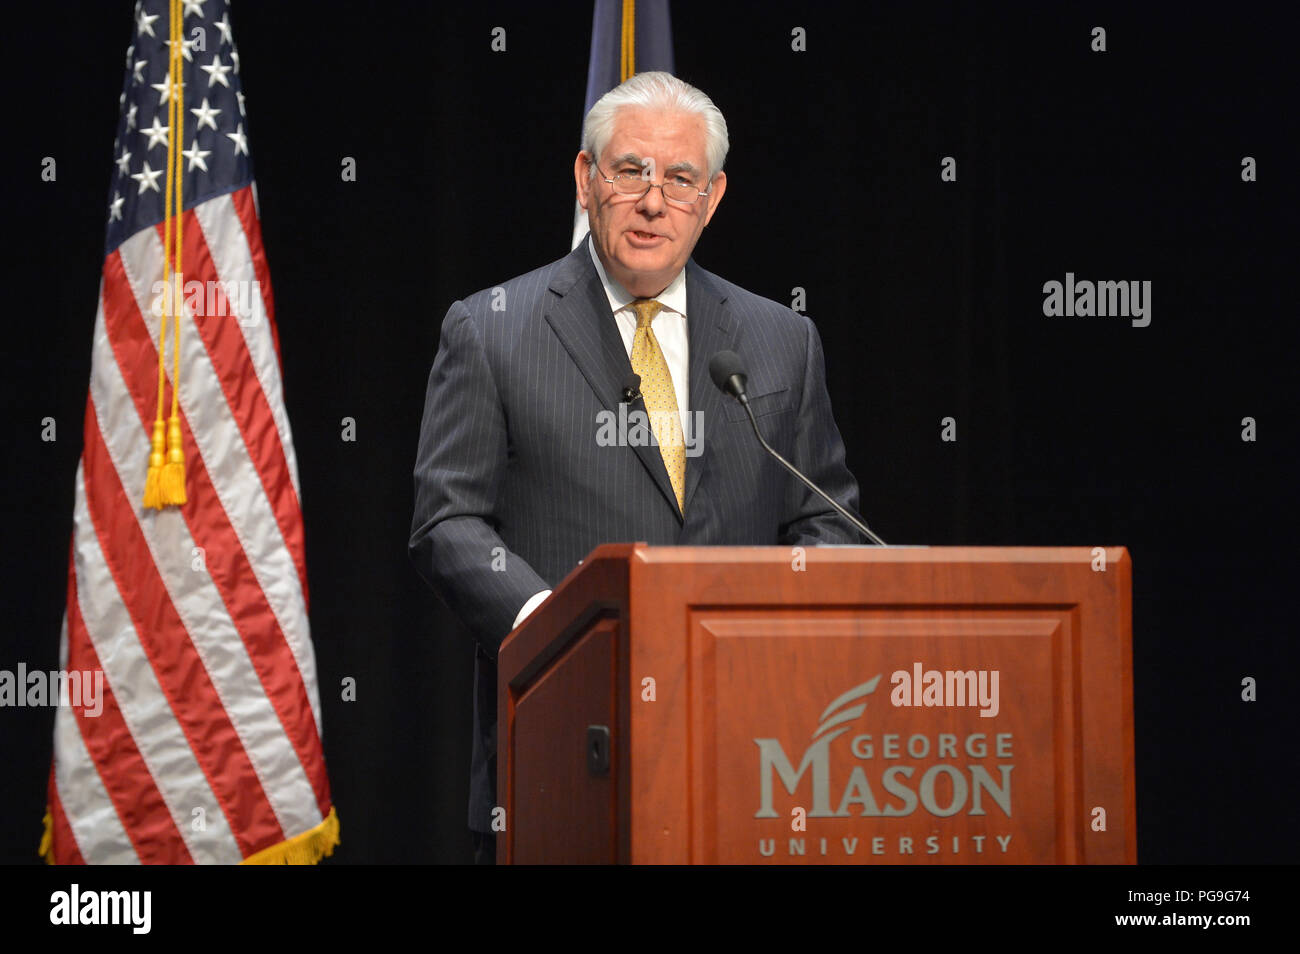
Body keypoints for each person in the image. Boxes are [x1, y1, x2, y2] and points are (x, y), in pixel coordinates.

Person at [408, 71, 865, 863]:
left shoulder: (778, 339)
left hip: (750, 758)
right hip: (560, 750)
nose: (655, 201)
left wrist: (771, 630)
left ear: (712, 197)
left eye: (680, 179)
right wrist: (555, 632)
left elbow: (823, 517)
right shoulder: (492, 331)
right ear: (587, 180)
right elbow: (447, 521)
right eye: (630, 172)